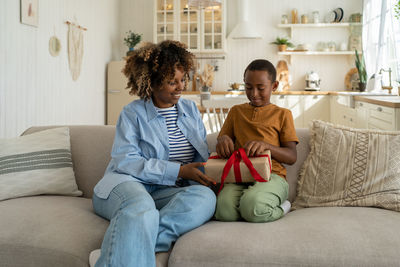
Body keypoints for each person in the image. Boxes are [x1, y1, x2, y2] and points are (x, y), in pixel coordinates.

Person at [90, 40, 216, 267]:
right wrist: (177, 170)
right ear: (153, 83)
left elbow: (201, 156)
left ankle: (124, 245)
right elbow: (126, 161)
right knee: (141, 207)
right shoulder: (132, 113)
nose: (181, 87)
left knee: (205, 199)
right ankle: (126, 248)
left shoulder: (190, 110)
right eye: (171, 82)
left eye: (182, 79)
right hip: (126, 183)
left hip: (165, 191)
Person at [214, 59, 298, 223]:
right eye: (248, 87)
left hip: (272, 177)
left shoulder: (283, 114)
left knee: (253, 206)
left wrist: (267, 146)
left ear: (274, 86)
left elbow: (292, 157)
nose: (254, 93)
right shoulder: (236, 112)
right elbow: (223, 139)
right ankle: (248, 207)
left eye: (261, 88)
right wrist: (223, 140)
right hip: (240, 175)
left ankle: (283, 206)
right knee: (223, 211)